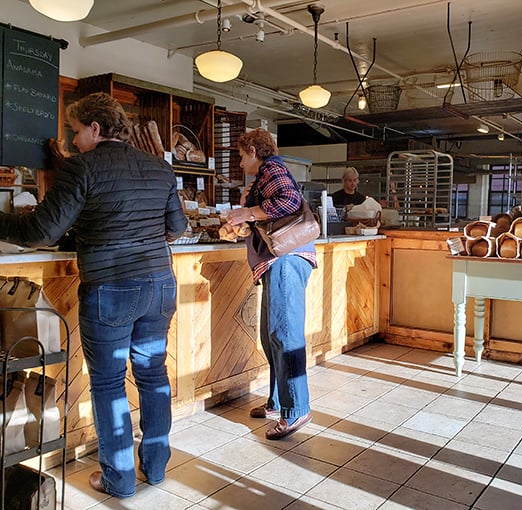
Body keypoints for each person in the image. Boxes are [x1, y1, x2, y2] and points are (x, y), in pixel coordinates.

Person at [0, 92, 187, 498]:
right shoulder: (159, 168)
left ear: (96, 129)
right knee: (154, 375)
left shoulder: (80, 168)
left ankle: (119, 479)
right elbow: (178, 227)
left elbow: (40, 233)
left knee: (108, 383)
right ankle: (154, 469)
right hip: (159, 283)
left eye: (76, 132)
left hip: (111, 288)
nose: (72, 141)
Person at [224, 128, 316, 440]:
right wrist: (245, 219)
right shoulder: (264, 175)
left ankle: (297, 408)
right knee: (270, 335)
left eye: (241, 155)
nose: (239, 162)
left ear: (253, 150)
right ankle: (278, 401)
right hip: (278, 261)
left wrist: (247, 211)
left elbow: (289, 201)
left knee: (285, 334)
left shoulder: (272, 167)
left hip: (287, 260)